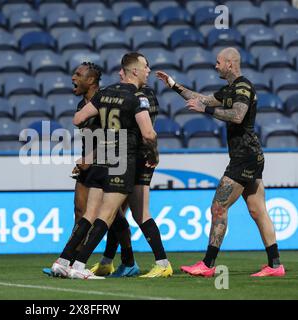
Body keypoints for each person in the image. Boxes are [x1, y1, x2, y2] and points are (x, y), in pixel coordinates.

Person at [156, 47, 285, 277]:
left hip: (244, 157)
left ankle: (207, 264)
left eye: (218, 62)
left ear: (229, 63)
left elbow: (237, 115)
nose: (215, 66)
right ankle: (275, 265)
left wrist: (206, 110)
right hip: (250, 156)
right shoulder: (230, 89)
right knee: (257, 210)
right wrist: (174, 85)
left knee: (218, 208)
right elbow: (200, 99)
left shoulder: (243, 87)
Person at [51, 52, 159, 279]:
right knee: (107, 215)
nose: (148, 72)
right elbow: (148, 133)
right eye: (145, 68)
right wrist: (153, 152)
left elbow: (77, 120)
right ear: (135, 72)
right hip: (121, 160)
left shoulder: (105, 93)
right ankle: (80, 266)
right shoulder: (138, 98)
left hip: (99, 158)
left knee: (89, 214)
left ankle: (63, 261)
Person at [91, 83, 173, 278]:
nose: (120, 75)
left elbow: (145, 130)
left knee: (137, 213)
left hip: (135, 158)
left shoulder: (137, 97)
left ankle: (162, 263)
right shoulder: (147, 96)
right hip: (133, 157)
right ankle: (110, 261)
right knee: (116, 212)